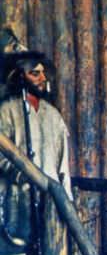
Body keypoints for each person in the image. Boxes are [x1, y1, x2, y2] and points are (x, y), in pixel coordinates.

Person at [0, 51, 71, 194]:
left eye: (43, 73)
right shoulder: (7, 110)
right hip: (17, 196)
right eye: (35, 73)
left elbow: (63, 165)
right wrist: (23, 176)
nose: (43, 78)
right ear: (21, 76)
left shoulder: (53, 115)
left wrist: (66, 199)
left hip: (51, 197)